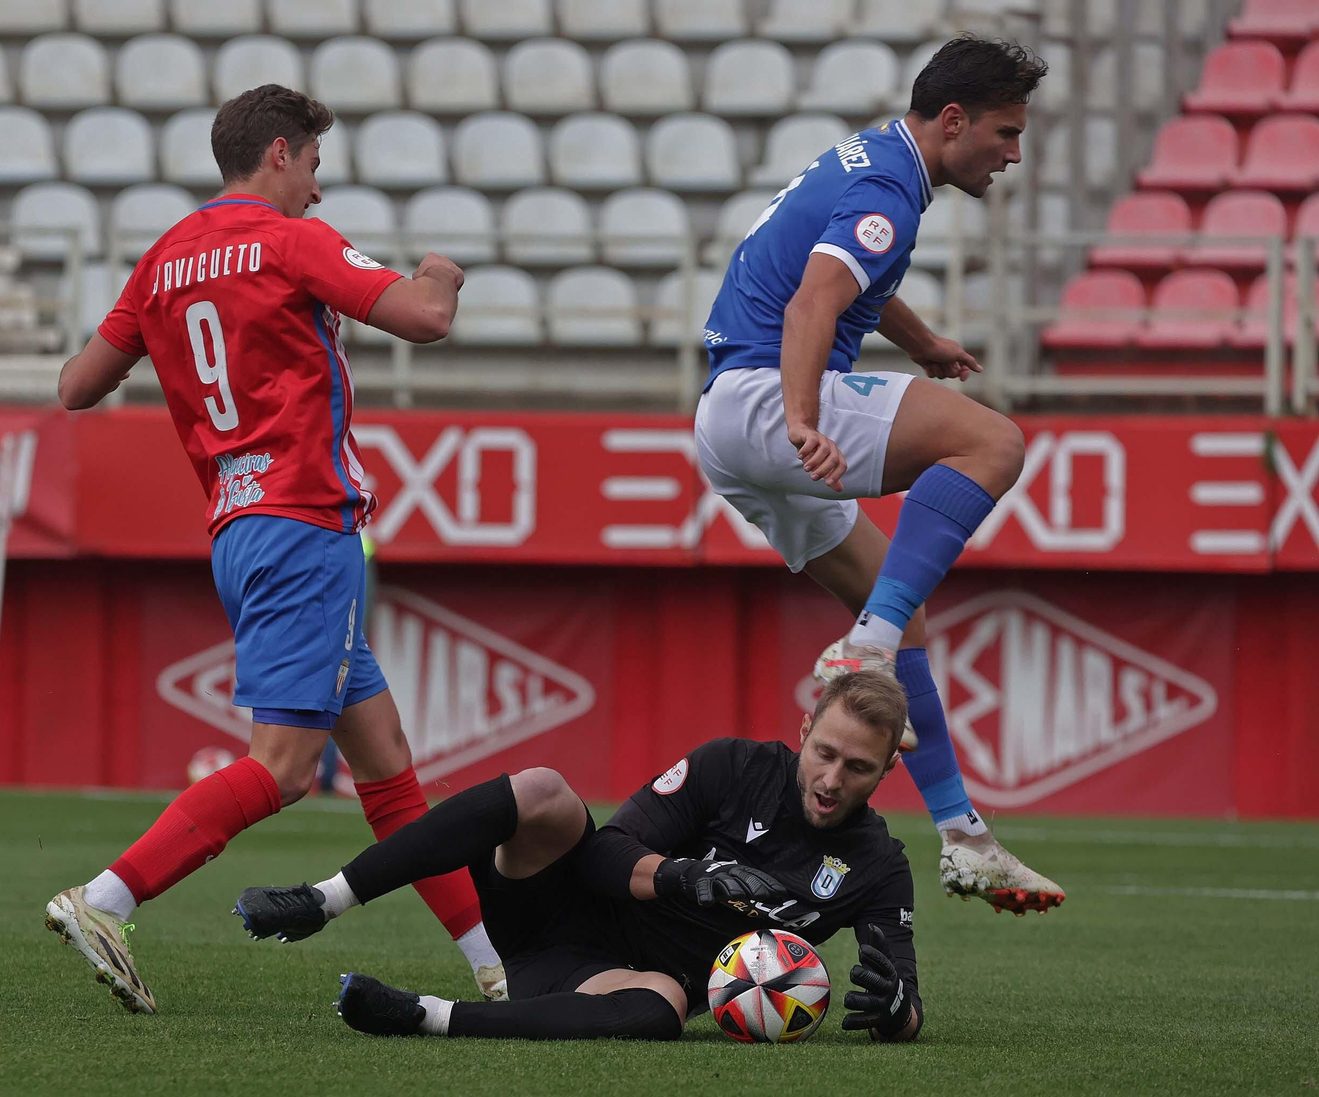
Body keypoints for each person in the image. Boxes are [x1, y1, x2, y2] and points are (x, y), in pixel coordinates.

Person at [46, 84, 506, 1013]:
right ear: (283, 153)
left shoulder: (163, 258)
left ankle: (497, 967)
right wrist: (443, 270)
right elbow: (425, 318)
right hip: (306, 520)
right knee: (288, 767)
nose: (319, 194)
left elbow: (75, 386)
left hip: (238, 524)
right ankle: (106, 898)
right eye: (316, 170)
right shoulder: (291, 241)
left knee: (388, 767)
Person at [694, 35, 1062, 914]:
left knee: (907, 611)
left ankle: (964, 834)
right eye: (1005, 133)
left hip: (725, 421)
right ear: (952, 120)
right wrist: (802, 418)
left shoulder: (877, 161)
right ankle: (865, 645)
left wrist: (920, 340)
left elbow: (848, 272)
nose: (1013, 153)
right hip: (762, 397)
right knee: (995, 445)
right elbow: (812, 301)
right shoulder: (891, 188)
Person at [234, 672, 923, 1043]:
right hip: (552, 907)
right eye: (824, 753)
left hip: (604, 981)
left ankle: (427, 1015)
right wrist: (688, 876)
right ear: (804, 730)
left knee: (664, 1007)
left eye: (858, 766)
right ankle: (326, 898)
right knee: (544, 791)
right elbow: (604, 853)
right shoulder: (734, 765)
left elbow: (906, 1000)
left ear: (889, 765)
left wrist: (895, 1009)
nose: (832, 779)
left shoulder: (880, 866)